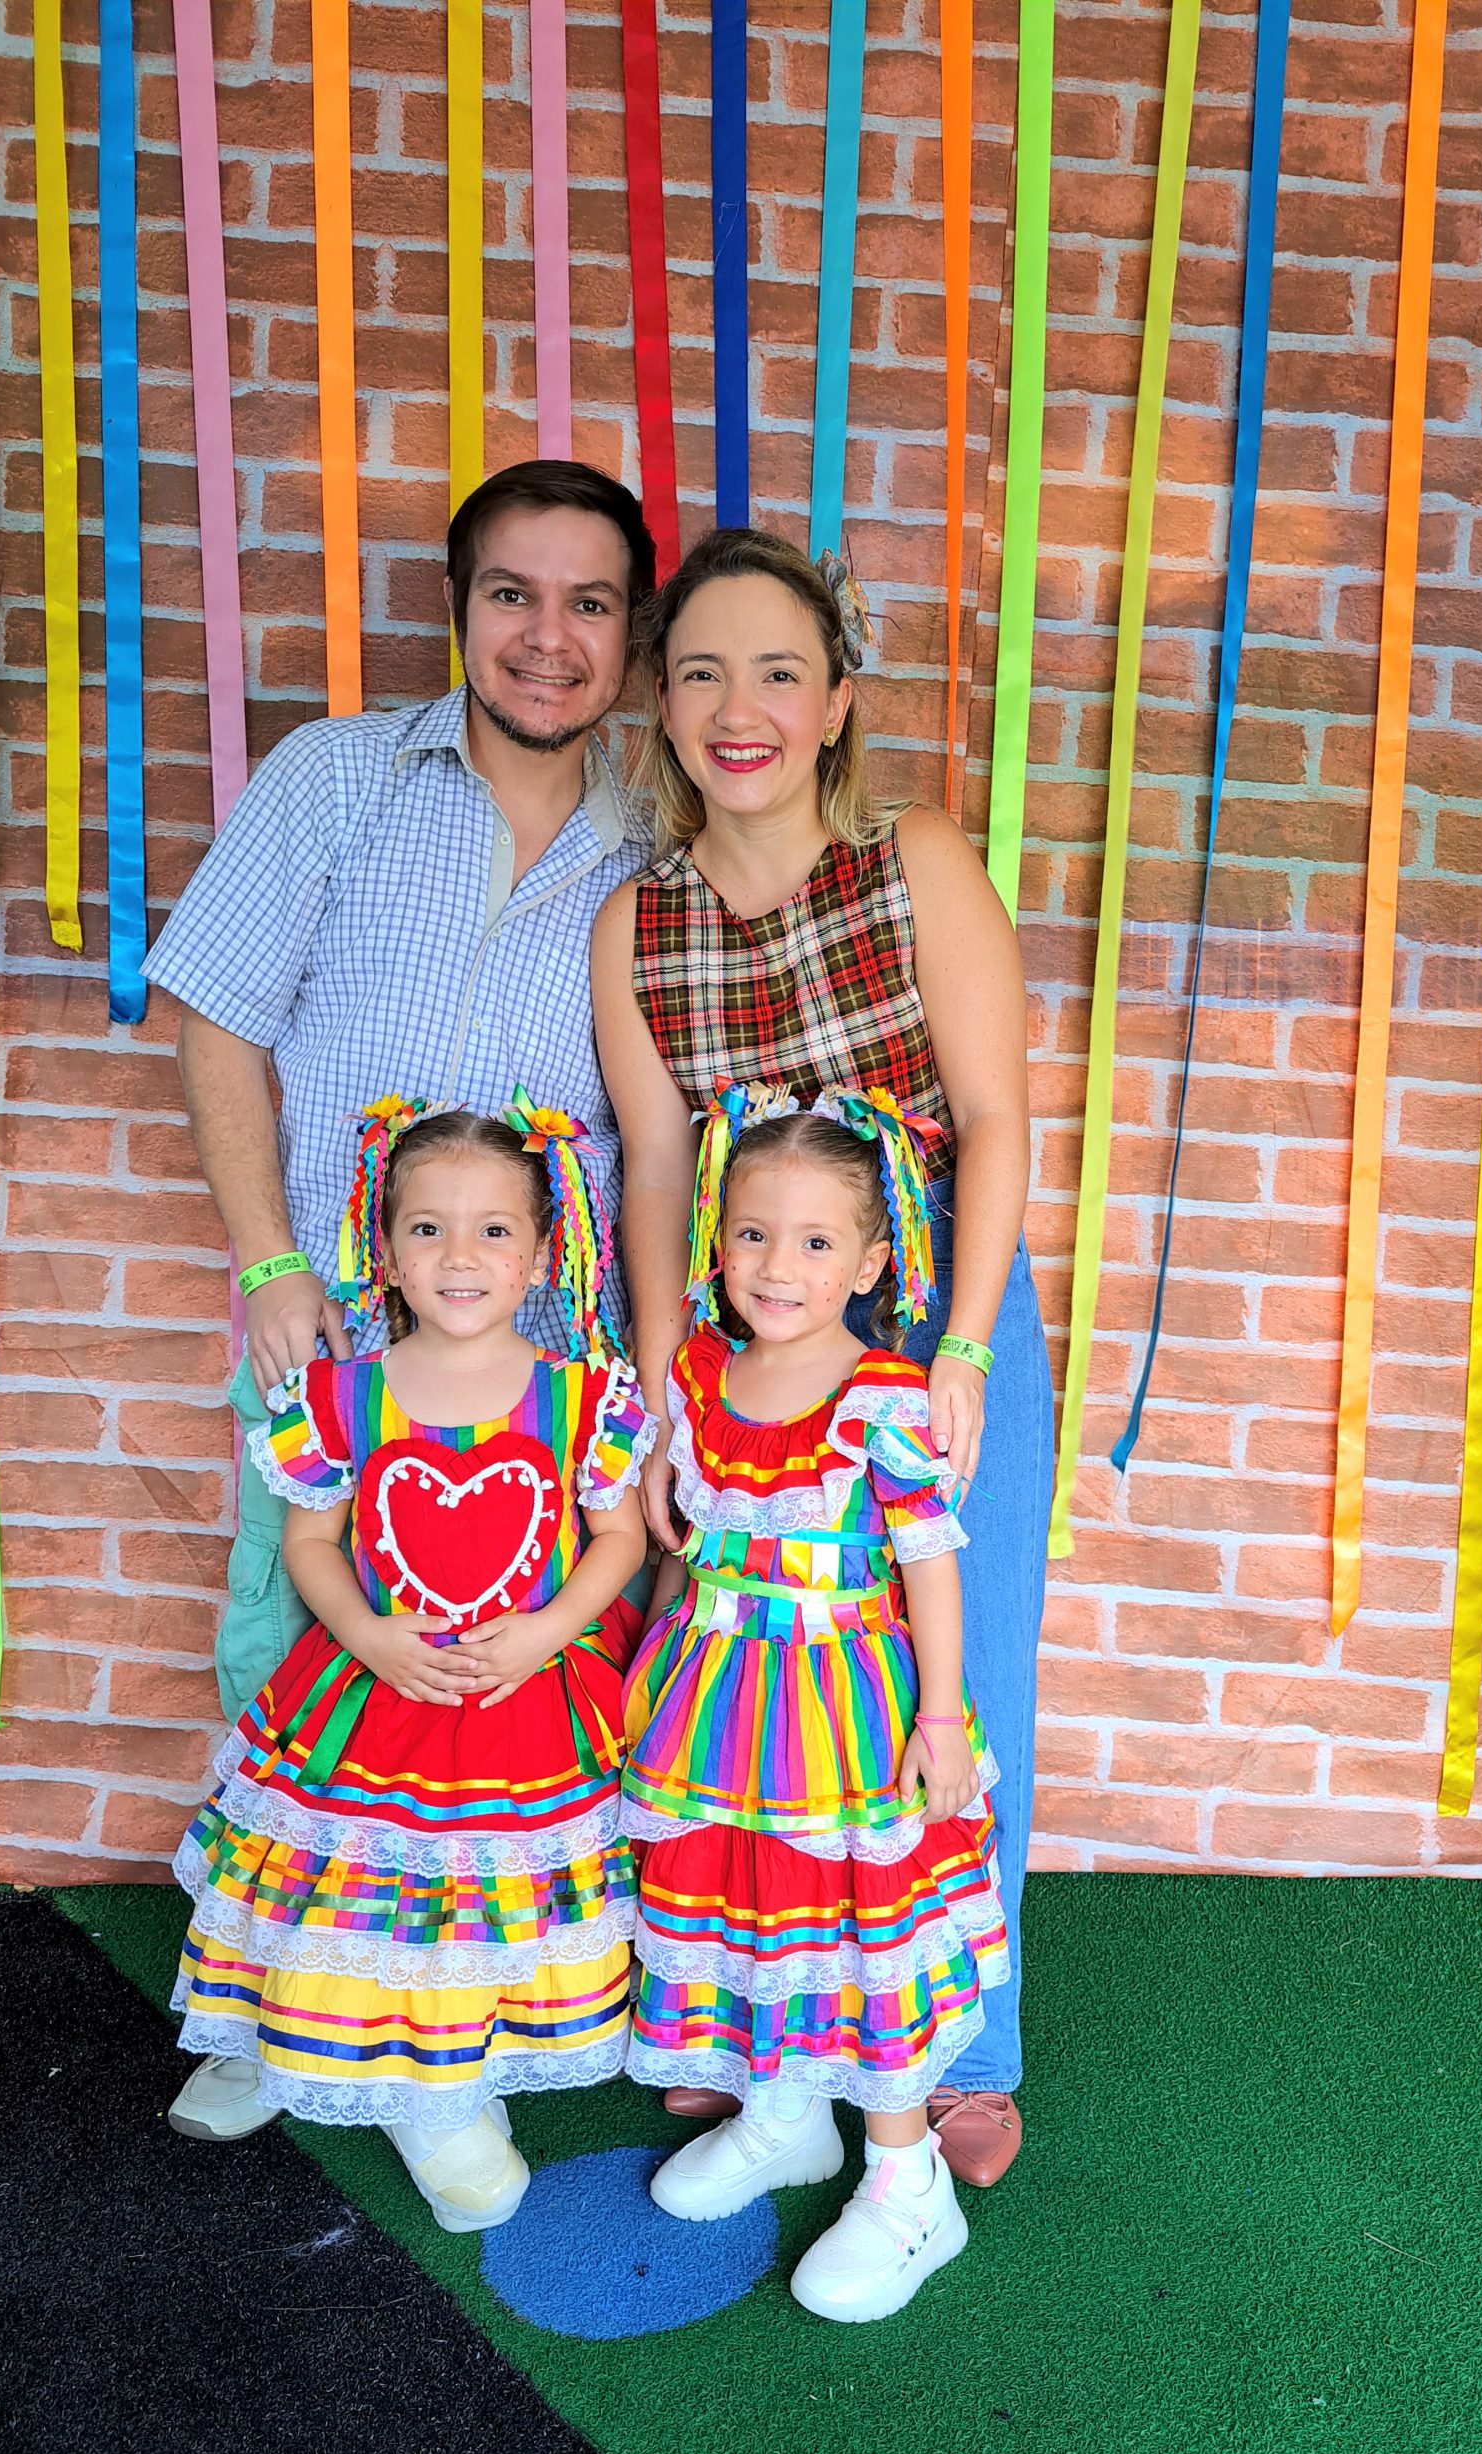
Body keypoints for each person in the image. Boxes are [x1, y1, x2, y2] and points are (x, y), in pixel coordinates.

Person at [590, 528, 1045, 2188]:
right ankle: (760, 2032)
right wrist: (663, 1392)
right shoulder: (636, 921)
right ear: (660, 701)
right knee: (752, 1695)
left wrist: (967, 1346)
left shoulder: (912, 857)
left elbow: (993, 1115)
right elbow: (656, 1171)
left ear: (838, 698)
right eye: (702, 671)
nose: (741, 709)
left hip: (928, 1295)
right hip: (748, 1328)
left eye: (779, 672)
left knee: (956, 1668)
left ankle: (962, 2050)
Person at [144, 458, 656, 1799]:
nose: (548, 639)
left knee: (546, 1718)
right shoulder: (333, 778)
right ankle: (293, 1926)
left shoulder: (663, 839)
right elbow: (218, 1019)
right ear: (455, 602)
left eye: (590, 604)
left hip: (554, 1374)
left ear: (633, 632)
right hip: (336, 1340)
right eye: (512, 595)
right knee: (292, 1666)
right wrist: (270, 1265)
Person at [167, 1097, 653, 2226]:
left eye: (494, 1230)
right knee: (366, 1889)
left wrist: (548, 1630)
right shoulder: (342, 1395)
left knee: (491, 1891)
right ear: (384, 1250)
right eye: (427, 1228)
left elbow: (621, 1537)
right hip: (377, 1692)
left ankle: (456, 2079)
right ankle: (361, 2067)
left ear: (543, 1253)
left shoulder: (586, 1396)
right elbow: (311, 1542)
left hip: (531, 1694)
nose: (460, 1256)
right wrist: (369, 1634)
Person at [622, 1087, 1007, 2321]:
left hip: (846, 1714)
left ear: (873, 1261)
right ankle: (786, 2112)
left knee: (859, 1930)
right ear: (718, 1239)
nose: (777, 1266)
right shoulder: (697, 1373)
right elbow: (687, 1544)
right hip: (715, 1705)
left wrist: (939, 1720)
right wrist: (652, 1664)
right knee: (746, 1904)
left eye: (816, 1240)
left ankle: (908, 2183)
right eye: (752, 1233)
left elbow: (931, 1564)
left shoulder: (883, 1397)